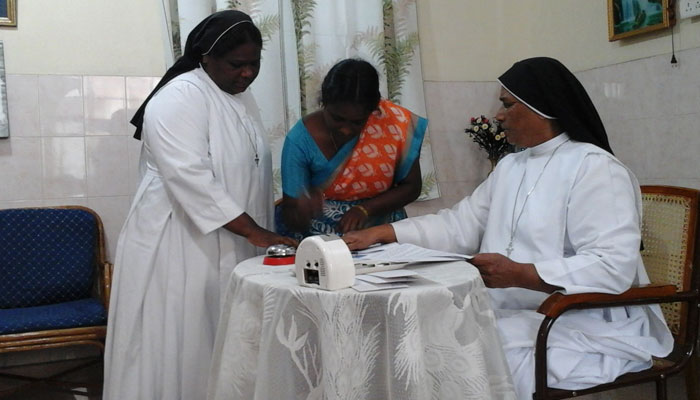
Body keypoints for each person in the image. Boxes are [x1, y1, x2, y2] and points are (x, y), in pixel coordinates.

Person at [342, 57, 673, 399]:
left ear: (541, 107)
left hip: (578, 318)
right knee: (421, 335)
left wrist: (523, 274)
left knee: (465, 352)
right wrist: (383, 233)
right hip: (509, 309)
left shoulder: (595, 169)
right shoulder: (511, 166)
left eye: (506, 105)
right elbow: (460, 224)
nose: (498, 116)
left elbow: (611, 265)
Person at [103, 10, 296, 400]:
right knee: (183, 342)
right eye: (236, 64)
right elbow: (191, 178)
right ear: (205, 57)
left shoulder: (241, 98)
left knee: (224, 340)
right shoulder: (179, 96)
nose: (246, 74)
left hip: (232, 239)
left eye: (254, 64)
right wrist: (258, 232)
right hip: (179, 244)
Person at [277, 58, 427, 239]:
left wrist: (365, 210)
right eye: (337, 118)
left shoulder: (395, 126)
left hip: (381, 234)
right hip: (320, 241)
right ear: (324, 102)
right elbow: (292, 214)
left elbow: (412, 187)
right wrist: (303, 209)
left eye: (357, 122)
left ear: (374, 110)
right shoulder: (300, 139)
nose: (346, 129)